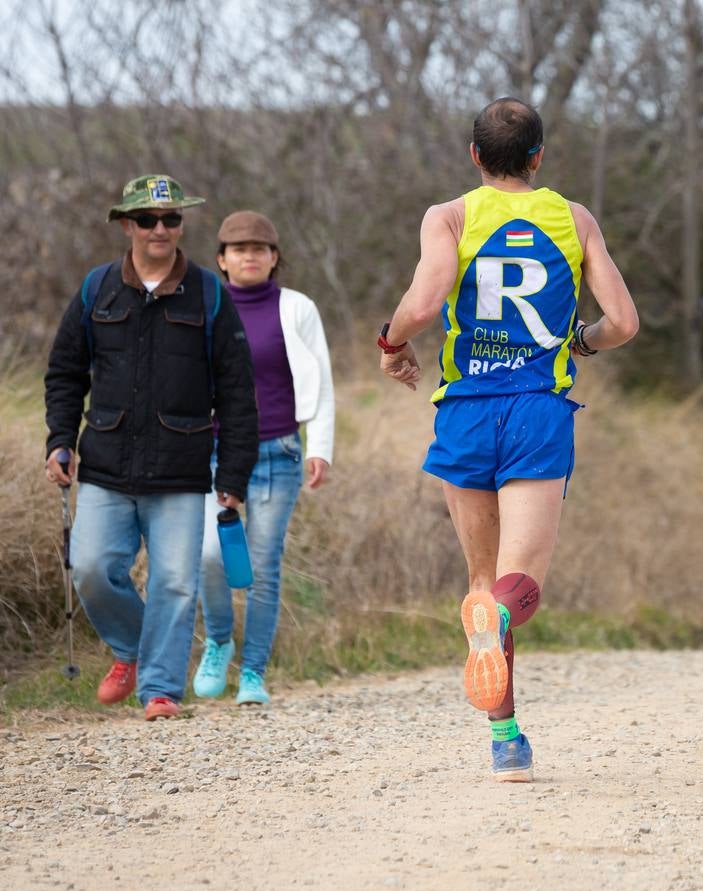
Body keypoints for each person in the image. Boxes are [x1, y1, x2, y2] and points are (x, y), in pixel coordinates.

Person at [378, 98, 639, 781]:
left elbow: (428, 298)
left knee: (480, 581)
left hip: (464, 408)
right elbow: (623, 322)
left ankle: (506, 738)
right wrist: (580, 339)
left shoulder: (449, 216)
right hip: (534, 410)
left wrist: (391, 339)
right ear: (538, 157)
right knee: (515, 588)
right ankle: (502, 714)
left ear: (473, 156)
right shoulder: (572, 218)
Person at [44, 174, 258, 721]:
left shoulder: (210, 294)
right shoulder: (97, 289)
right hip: (105, 465)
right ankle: (131, 650)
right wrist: (59, 441)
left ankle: (160, 689)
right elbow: (65, 373)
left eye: (171, 219)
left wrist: (232, 478)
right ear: (126, 225)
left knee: (174, 584)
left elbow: (237, 393)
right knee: (90, 567)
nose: (160, 229)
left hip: (182, 471)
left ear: (181, 224)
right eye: (147, 219)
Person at [192, 210, 334, 705]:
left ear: (274, 259)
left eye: (260, 248)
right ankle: (219, 640)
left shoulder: (297, 308)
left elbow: (321, 381)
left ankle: (253, 673)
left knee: (264, 565)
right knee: (210, 555)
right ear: (221, 260)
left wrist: (321, 447)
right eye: (238, 249)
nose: (249, 255)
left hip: (279, 451)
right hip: (212, 452)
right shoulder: (204, 306)